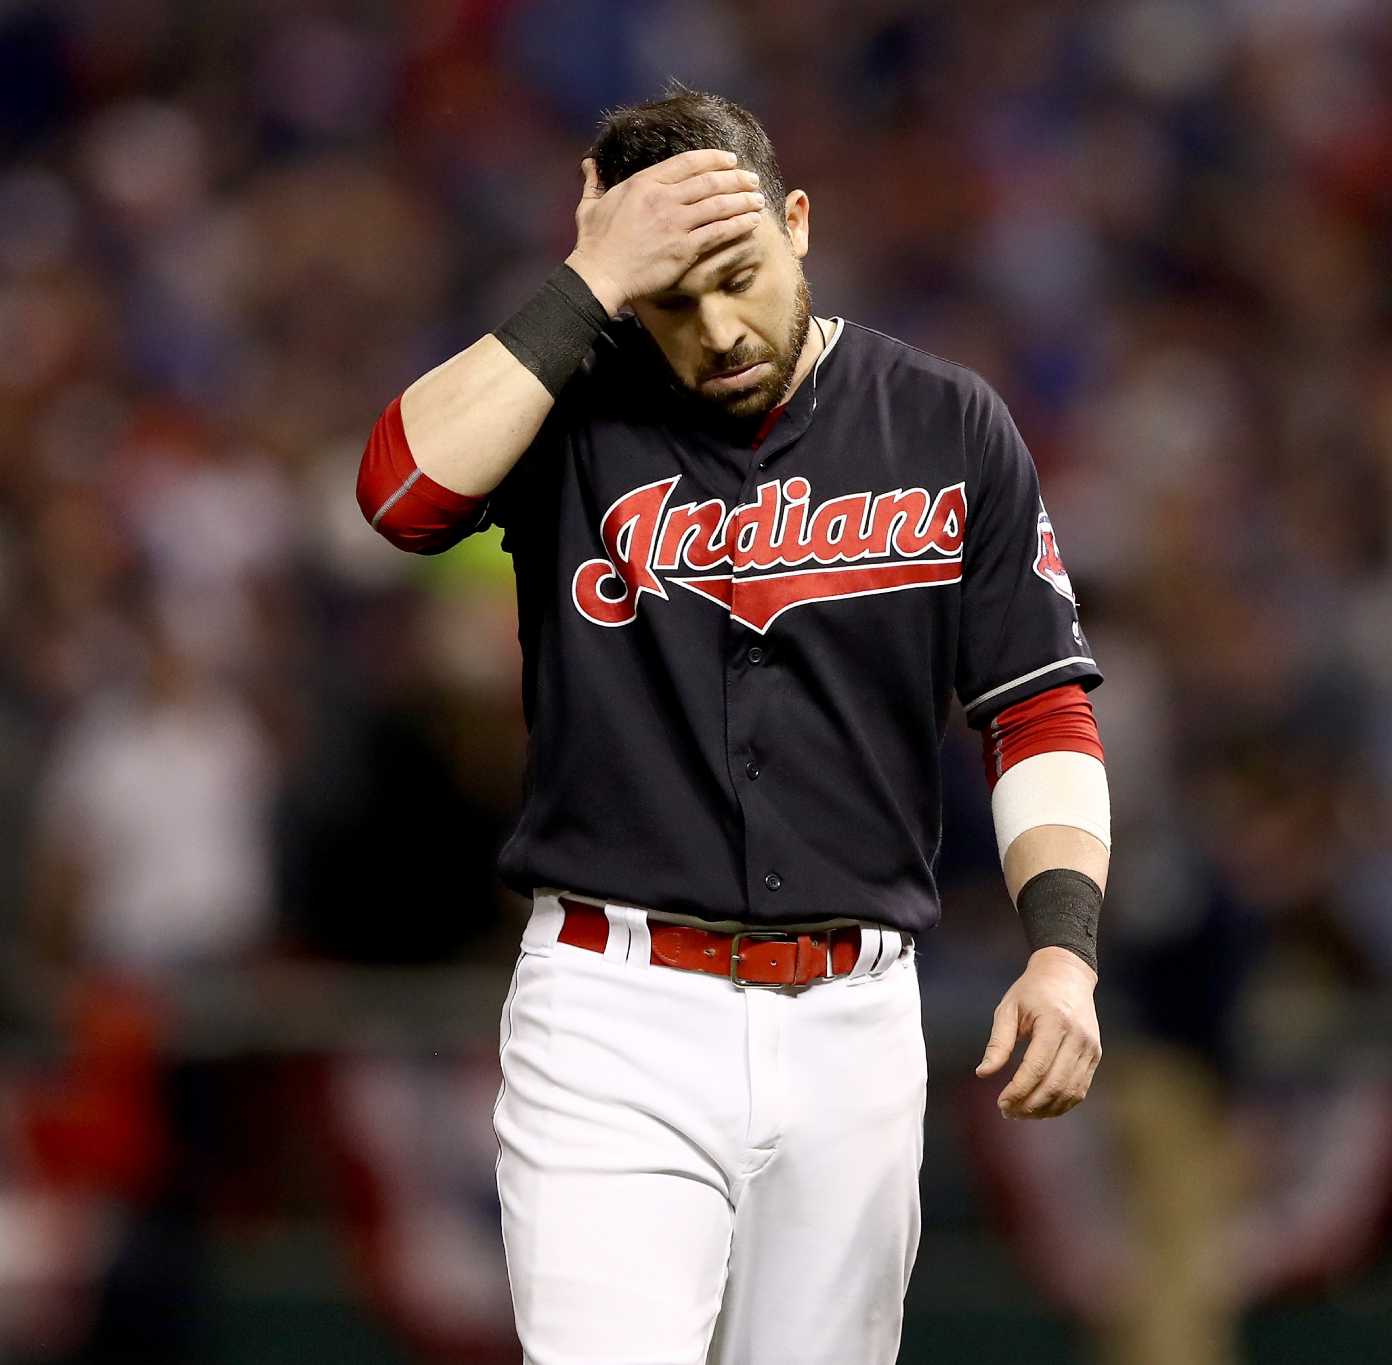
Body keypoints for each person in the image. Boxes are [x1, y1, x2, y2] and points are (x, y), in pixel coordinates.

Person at [354, 82, 1111, 1365]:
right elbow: (401, 494)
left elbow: (1036, 710)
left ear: (798, 221)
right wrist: (587, 283)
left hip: (853, 1021)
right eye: (671, 296)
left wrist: (1063, 950)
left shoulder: (943, 419)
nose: (716, 329)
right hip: (613, 1009)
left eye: (737, 271)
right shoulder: (571, 403)